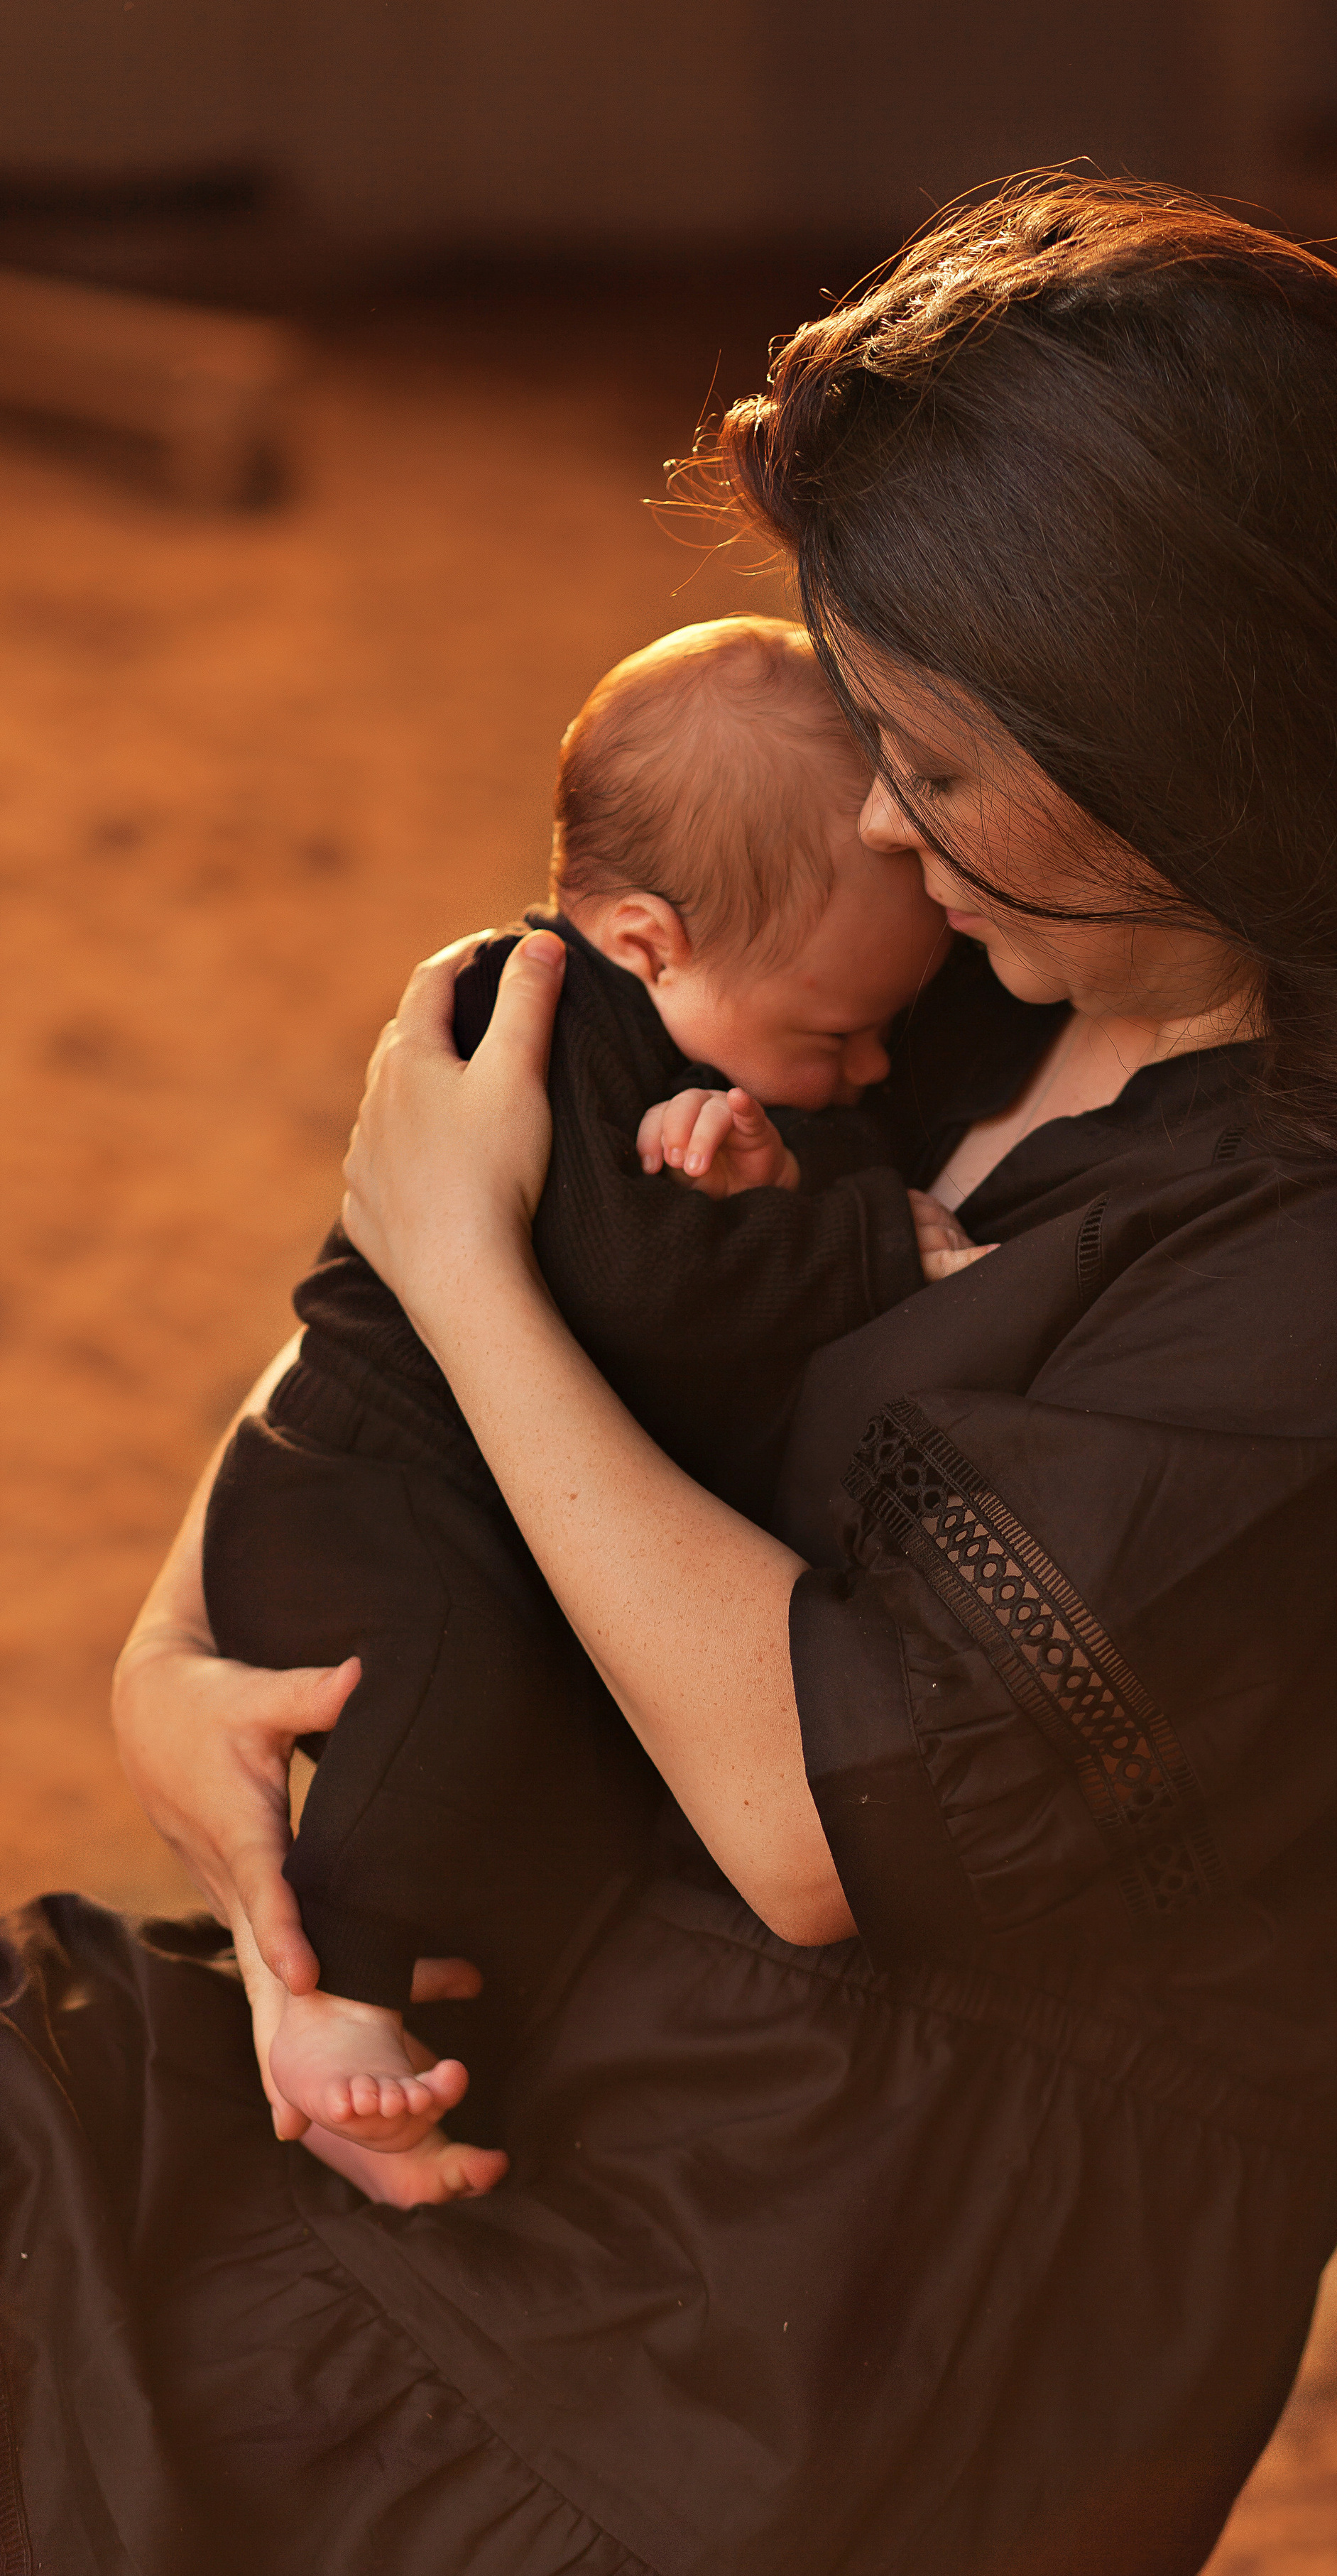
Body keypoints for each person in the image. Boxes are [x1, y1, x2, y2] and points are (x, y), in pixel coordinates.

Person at [8, 175, 1337, 2576]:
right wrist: (173, 1660)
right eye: (876, 739)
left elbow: (805, 1809)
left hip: (828, 2316)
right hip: (600, 2051)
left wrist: (456, 1261)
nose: (884, 829)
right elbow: (436, 1327)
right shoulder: (972, 981)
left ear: (1185, 732)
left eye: (941, 762)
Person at [199, 613, 950, 2205]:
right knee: (454, 1677)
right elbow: (631, 1285)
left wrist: (781, 1171)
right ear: (643, 941)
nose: (873, 1069)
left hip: (481, 1500)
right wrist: (871, 1243)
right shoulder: (518, 1019)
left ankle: (424, 2008)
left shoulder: (688, 1037)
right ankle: (328, 1992)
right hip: (359, 1491)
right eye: (835, 1035)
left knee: (537, 1755)